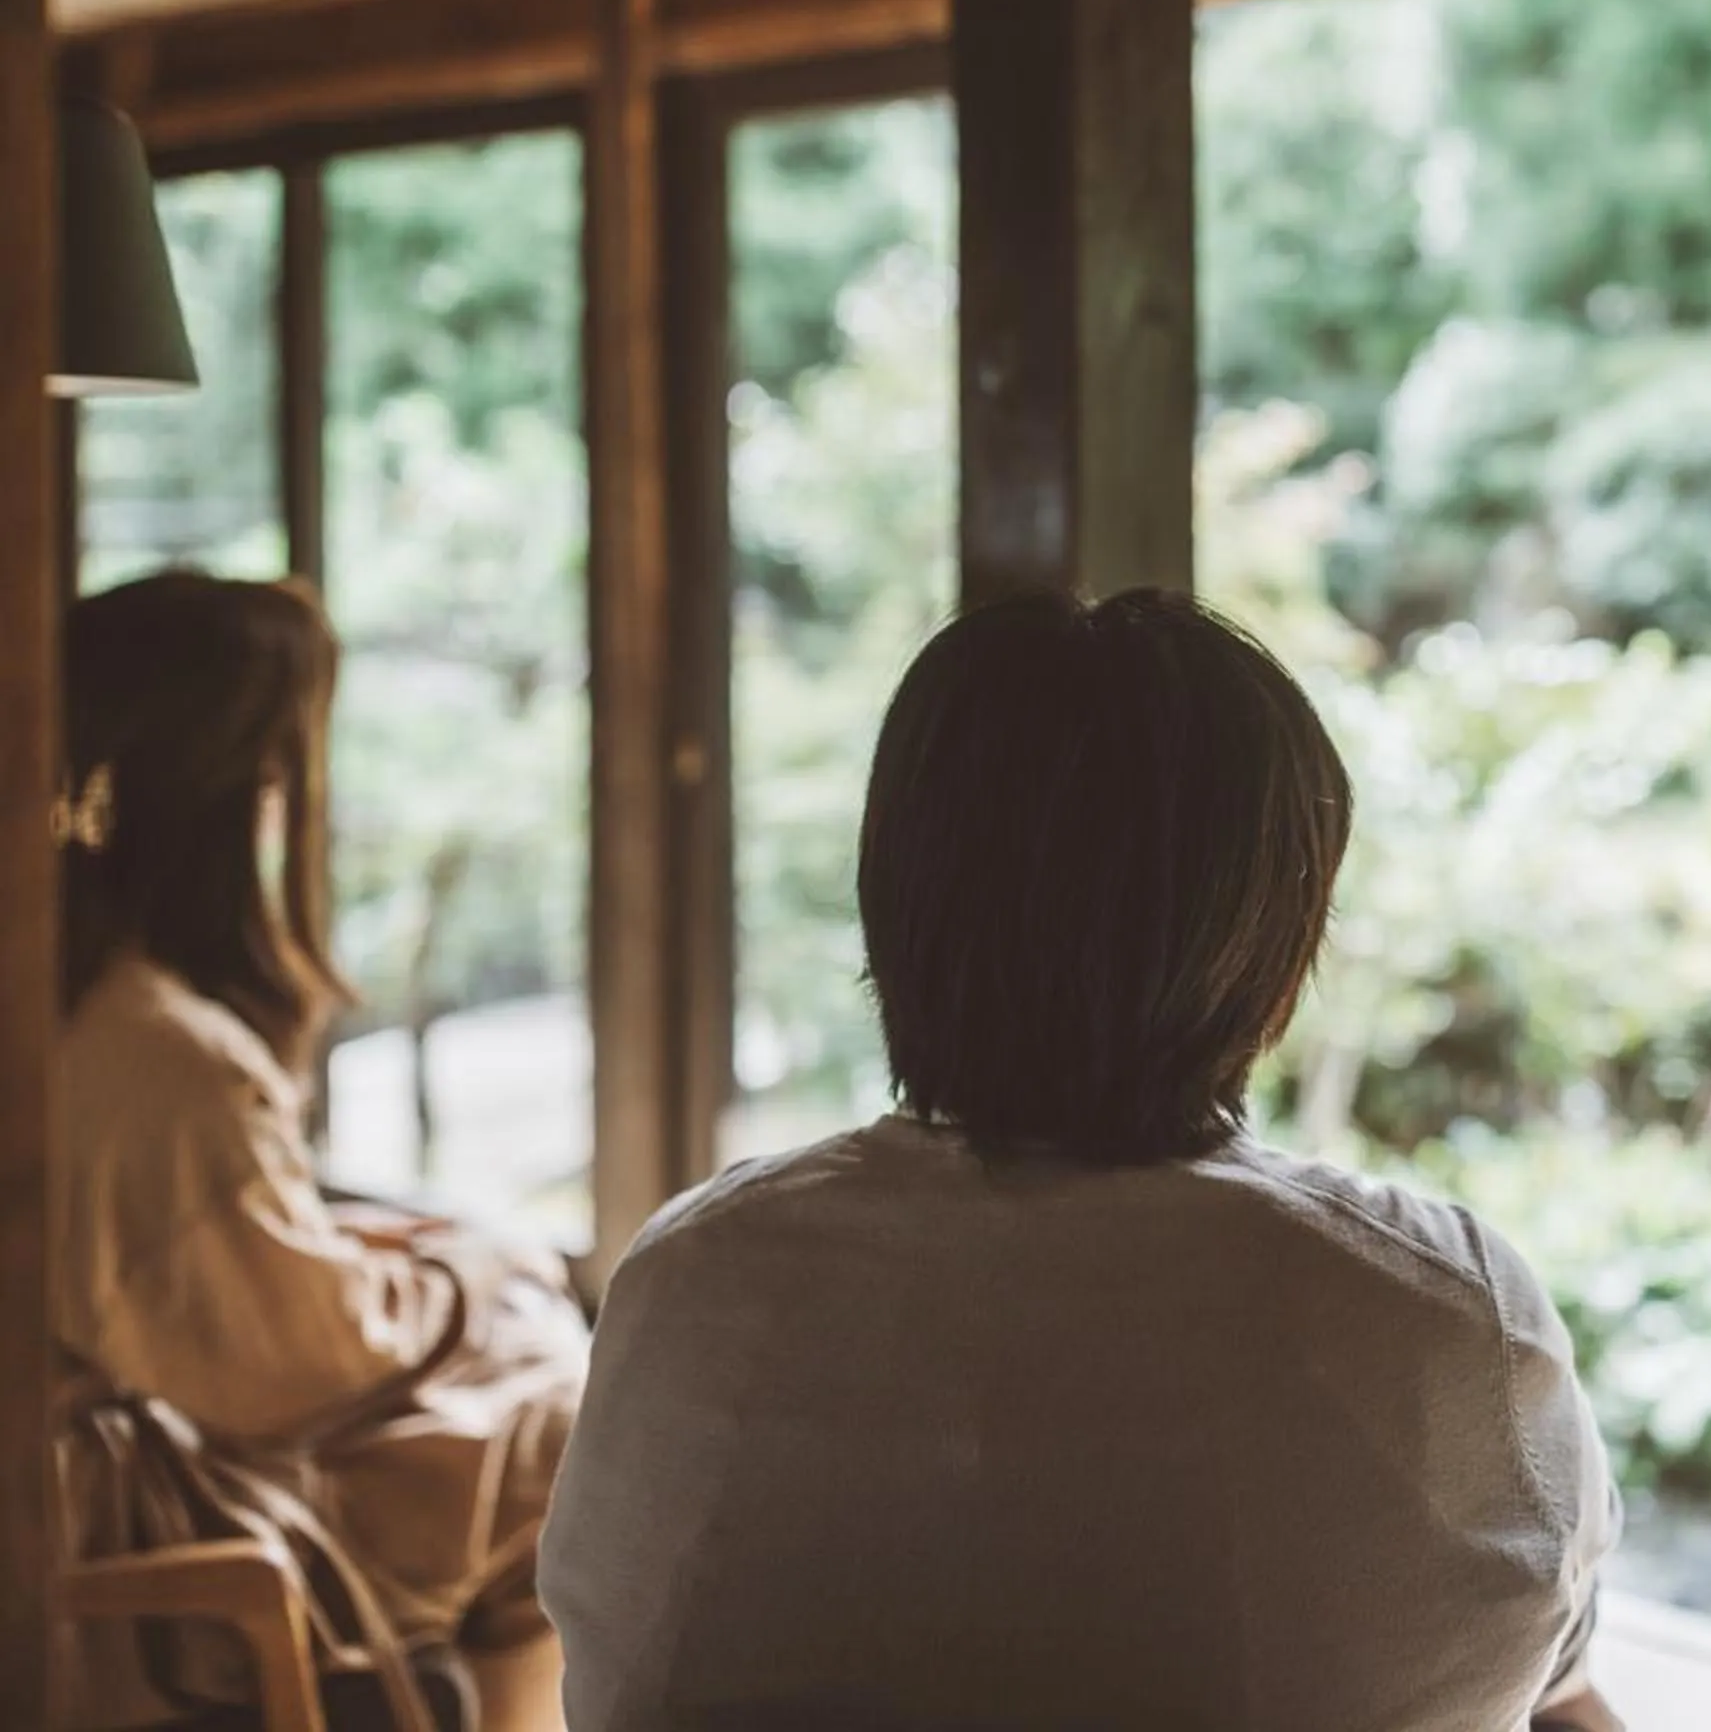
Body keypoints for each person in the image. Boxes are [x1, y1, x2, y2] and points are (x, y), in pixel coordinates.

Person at [543, 589, 1624, 1732]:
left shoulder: (694, 1279)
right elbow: (1547, 1666)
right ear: (1274, 936)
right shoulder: (1440, 1314)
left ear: (901, 901)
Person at [54, 572, 587, 1732]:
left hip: (117, 1458)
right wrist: (460, 1280)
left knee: (525, 1359)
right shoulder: (155, 1053)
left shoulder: (83, 997)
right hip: (117, 1513)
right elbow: (287, 1359)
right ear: (230, 790)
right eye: (282, 774)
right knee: (561, 1425)